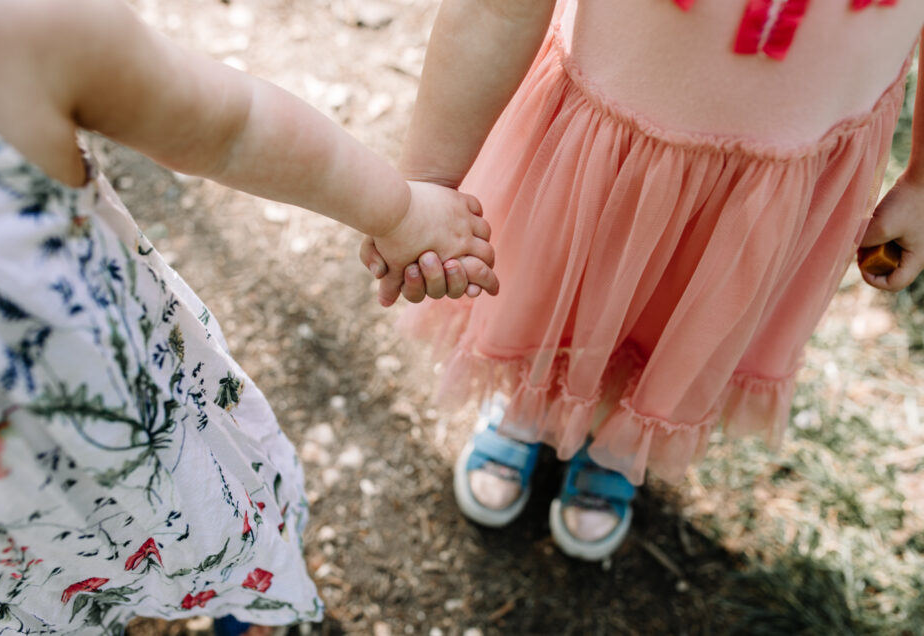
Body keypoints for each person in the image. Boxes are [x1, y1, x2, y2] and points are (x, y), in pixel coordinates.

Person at [0, 0, 498, 633]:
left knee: (210, 542)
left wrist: (400, 212)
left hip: (132, 450)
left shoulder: (11, 38)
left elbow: (233, 127)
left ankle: (244, 607)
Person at [361, 0, 924, 561]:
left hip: (784, 171)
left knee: (682, 313)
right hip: (607, 132)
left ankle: (612, 441)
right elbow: (494, 9)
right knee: (557, 283)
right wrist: (429, 182)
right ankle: (527, 409)